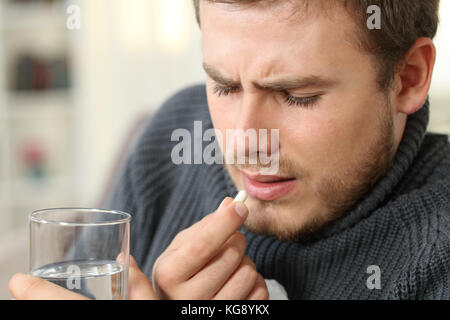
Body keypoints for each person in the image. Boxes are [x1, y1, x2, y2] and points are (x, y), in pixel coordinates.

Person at [9, 0, 449, 300]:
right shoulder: (176, 130)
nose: (243, 142)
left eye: (296, 94)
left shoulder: (437, 253)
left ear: (408, 78)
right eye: (224, 86)